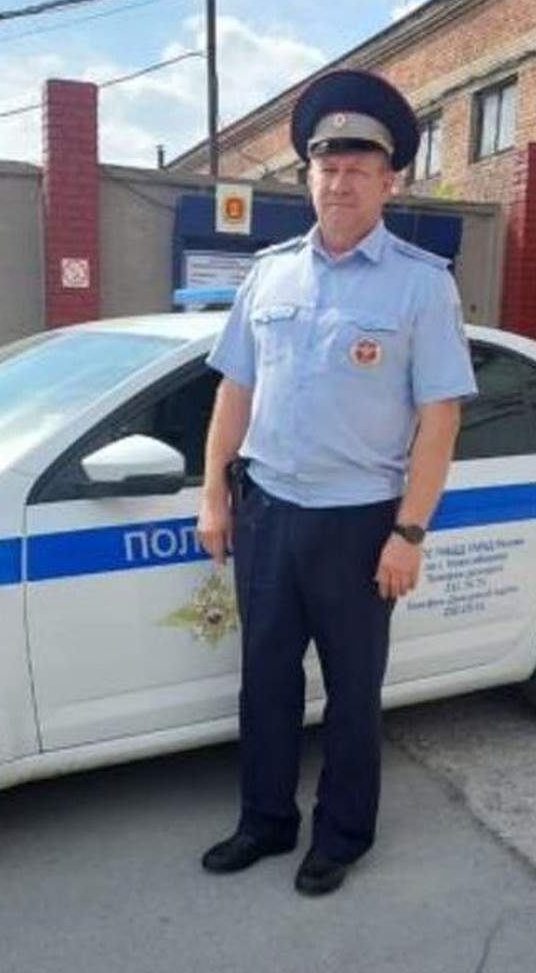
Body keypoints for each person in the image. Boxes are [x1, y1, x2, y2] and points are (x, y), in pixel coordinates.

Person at [197, 69, 477, 896]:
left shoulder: (422, 284)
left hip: (362, 524)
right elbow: (234, 391)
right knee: (266, 683)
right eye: (328, 165)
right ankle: (265, 822)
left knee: (354, 695)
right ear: (308, 175)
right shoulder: (269, 274)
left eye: (359, 166)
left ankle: (343, 836)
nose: (341, 180)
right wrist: (216, 493)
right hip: (270, 514)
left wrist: (409, 532)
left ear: (389, 180)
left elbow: (440, 419)